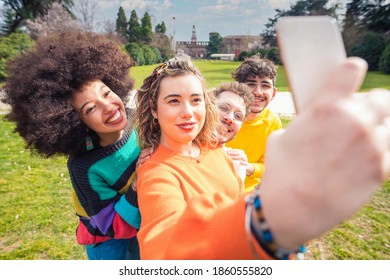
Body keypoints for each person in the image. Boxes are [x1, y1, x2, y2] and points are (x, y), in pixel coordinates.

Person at [133, 56, 390, 260]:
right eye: (173, 101)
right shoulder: (156, 172)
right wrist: (265, 221)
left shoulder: (212, 146)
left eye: (196, 100)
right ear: (154, 110)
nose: (188, 112)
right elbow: (161, 253)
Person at [2, 31, 144, 260]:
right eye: (90, 108)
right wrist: (138, 186)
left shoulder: (138, 118)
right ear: (75, 123)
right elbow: (109, 225)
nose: (109, 107)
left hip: (142, 221)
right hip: (107, 240)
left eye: (107, 93)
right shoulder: (85, 167)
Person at [226, 56, 282, 192]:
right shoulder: (221, 116)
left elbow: (271, 167)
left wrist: (248, 167)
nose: (258, 92)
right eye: (251, 84)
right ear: (238, 89)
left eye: (265, 85)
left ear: (273, 93)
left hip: (248, 194)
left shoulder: (272, 122)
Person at [213, 81, 254, 182]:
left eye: (238, 116)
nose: (230, 118)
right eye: (223, 108)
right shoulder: (183, 150)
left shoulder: (236, 165)